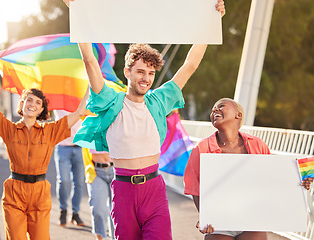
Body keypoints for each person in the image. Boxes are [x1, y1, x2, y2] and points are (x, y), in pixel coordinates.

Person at [64, 1, 225, 239]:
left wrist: (212, 22)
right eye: (140, 71)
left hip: (154, 190)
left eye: (151, 73)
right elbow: (89, 61)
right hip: (123, 190)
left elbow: (189, 65)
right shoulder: (110, 101)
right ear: (127, 72)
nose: (146, 78)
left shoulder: (158, 102)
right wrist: (75, 13)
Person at [0, 56, 89, 240]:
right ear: (22, 104)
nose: (32, 104)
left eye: (37, 103)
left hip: (40, 193)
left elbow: (80, 112)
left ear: (41, 111)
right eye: (29, 100)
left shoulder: (51, 131)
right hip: (14, 193)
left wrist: (91, 78)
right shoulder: (9, 129)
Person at [183, 98, 314, 240]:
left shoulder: (257, 144)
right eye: (213, 108)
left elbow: (272, 178)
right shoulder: (201, 148)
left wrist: (299, 183)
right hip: (220, 222)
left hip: (253, 219)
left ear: (238, 115)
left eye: (221, 106)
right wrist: (205, 216)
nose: (214, 110)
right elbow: (194, 187)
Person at [54, 110, 85, 226]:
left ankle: (75, 213)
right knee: (64, 180)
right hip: (62, 147)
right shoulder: (60, 99)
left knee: (79, 183)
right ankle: (63, 210)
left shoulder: (79, 98)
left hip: (80, 146)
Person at [82, 149, 114, 240]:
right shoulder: (91, 133)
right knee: (98, 208)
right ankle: (100, 237)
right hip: (95, 171)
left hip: (116, 169)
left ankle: (115, 237)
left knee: (117, 210)